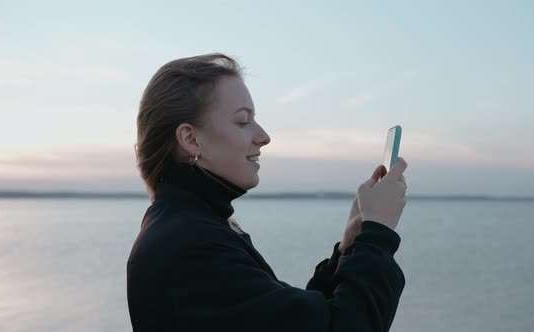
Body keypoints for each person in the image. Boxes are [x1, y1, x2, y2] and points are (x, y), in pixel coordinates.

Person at [127, 53, 408, 332]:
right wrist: (377, 238)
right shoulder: (191, 246)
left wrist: (350, 249)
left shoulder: (188, 228)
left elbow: (295, 321)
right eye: (242, 121)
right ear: (190, 139)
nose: (263, 136)